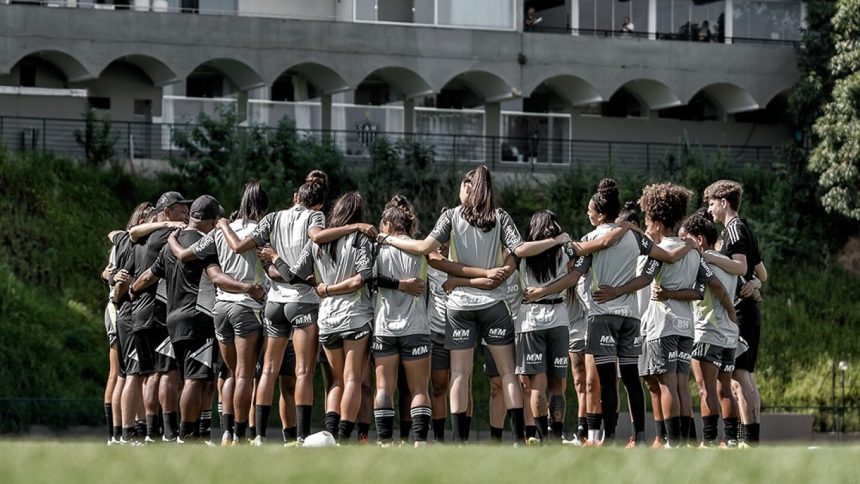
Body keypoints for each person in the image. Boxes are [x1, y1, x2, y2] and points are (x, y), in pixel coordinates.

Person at [379, 165, 570, 445]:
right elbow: (519, 251)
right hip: (493, 304)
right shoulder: (501, 217)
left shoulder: (451, 216)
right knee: (508, 374)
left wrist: (387, 238)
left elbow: (423, 249)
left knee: (459, 374)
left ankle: (459, 442)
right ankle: (518, 440)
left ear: (469, 188)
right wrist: (556, 240)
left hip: (459, 307)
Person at [218, 171, 376, 446]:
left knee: (267, 371)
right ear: (318, 205)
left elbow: (238, 246)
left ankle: (257, 436)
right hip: (303, 301)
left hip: (274, 302)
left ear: (295, 197)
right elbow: (315, 240)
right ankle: (302, 436)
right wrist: (355, 227)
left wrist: (223, 225)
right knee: (303, 371)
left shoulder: (273, 217)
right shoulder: (315, 218)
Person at [133, 195, 264, 443]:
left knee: (188, 378)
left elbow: (150, 276)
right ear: (210, 220)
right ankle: (186, 434)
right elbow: (216, 277)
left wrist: (132, 289)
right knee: (195, 379)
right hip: (198, 317)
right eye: (216, 220)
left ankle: (190, 433)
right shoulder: (207, 243)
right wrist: (248, 288)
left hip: (172, 320)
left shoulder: (170, 243)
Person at [575, 179, 694, 446]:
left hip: (603, 314)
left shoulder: (589, 239)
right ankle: (641, 436)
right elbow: (667, 259)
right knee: (633, 380)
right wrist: (689, 245)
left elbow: (576, 273)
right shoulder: (637, 237)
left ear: (601, 213)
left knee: (608, 382)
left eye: (590, 210)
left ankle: (609, 437)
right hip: (631, 318)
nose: (588, 214)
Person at [166, 181, 269, 445]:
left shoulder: (220, 231)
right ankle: (240, 434)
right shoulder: (264, 229)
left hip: (220, 309)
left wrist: (171, 238)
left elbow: (186, 255)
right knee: (244, 375)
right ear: (264, 207)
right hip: (247, 307)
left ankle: (225, 432)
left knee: (229, 374)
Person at [703, 180, 766, 446]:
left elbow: (740, 267)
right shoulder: (744, 228)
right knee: (745, 377)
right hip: (747, 311)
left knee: (740, 378)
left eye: (711, 203)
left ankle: (748, 442)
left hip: (741, 314)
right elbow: (761, 273)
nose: (709, 210)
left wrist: (708, 255)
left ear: (724, 202)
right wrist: (755, 284)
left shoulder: (734, 230)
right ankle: (749, 439)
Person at [126, 191, 191, 443]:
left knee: (150, 374)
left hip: (139, 313)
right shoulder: (168, 235)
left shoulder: (142, 237)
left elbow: (131, 232)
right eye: (180, 208)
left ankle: (149, 432)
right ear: (167, 212)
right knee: (168, 373)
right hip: (159, 311)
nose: (185, 213)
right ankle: (168, 431)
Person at [370, 195, 433, 447]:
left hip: (384, 326)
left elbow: (369, 279)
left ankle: (384, 442)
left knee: (384, 388)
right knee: (419, 389)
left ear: (387, 225)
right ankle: (419, 442)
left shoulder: (377, 247)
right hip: (416, 326)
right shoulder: (419, 249)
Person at [680, 210, 741, 447]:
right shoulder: (728, 263)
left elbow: (708, 289)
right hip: (729, 335)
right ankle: (732, 440)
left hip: (707, 330)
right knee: (725, 387)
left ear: (700, 240)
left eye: (686, 238)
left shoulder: (702, 262)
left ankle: (708, 441)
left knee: (706, 389)